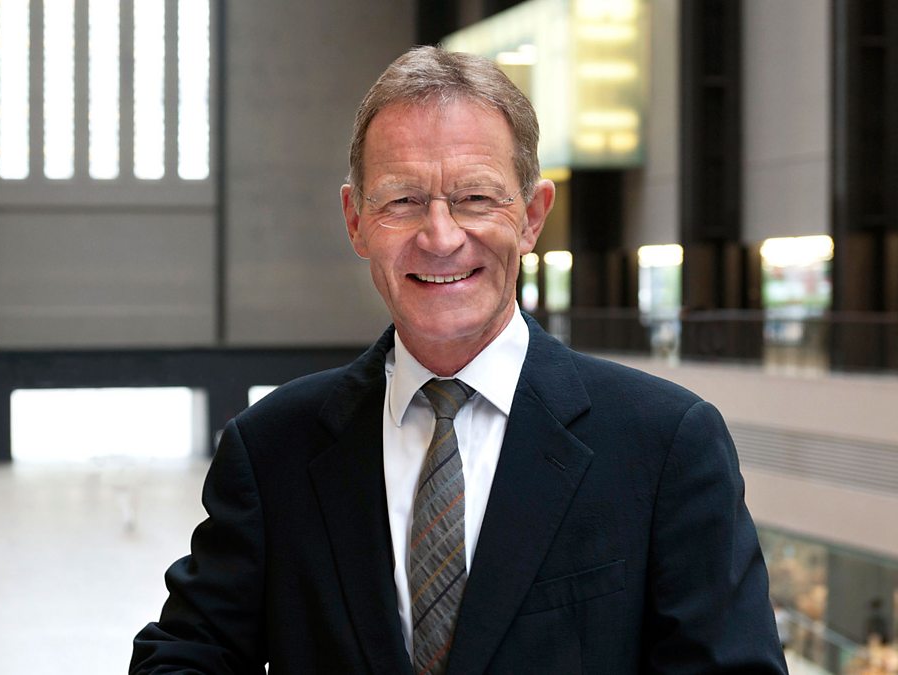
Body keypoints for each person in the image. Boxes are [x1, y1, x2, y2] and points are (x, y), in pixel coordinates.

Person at [131, 46, 786, 674]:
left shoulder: (665, 446)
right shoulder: (273, 447)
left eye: (476, 198)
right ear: (355, 220)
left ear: (532, 217)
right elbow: (185, 655)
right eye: (403, 201)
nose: (441, 237)